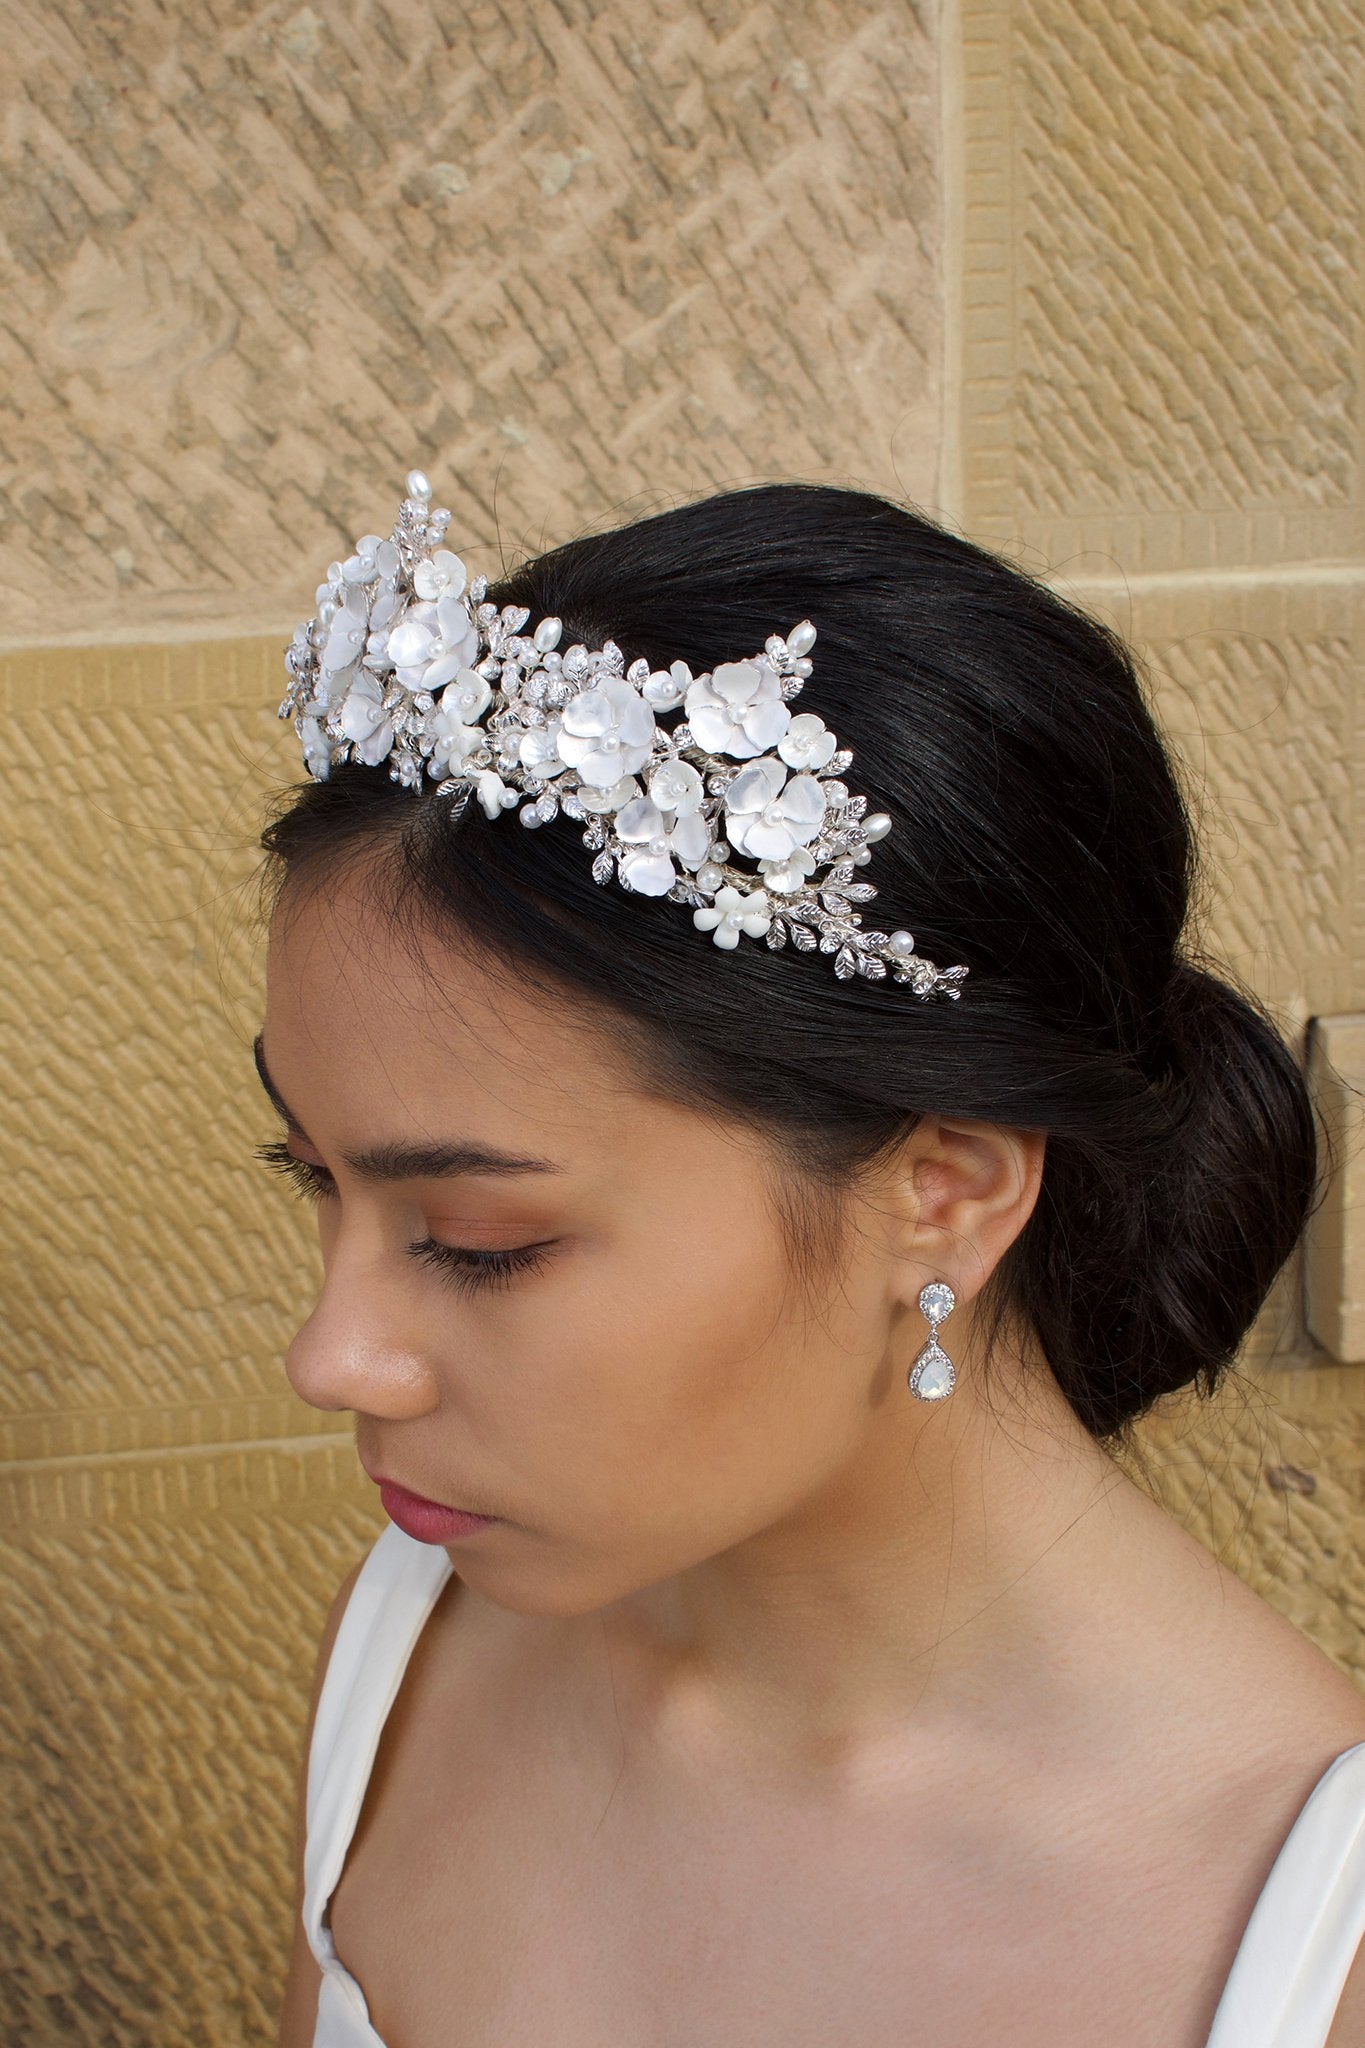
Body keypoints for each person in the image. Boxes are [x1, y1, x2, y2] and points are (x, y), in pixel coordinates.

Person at [260, 474, 1365, 2047]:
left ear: (945, 1193)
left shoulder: (1305, 1945)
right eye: (308, 1177)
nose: (331, 1356)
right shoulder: (408, 1658)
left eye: (476, 1242)